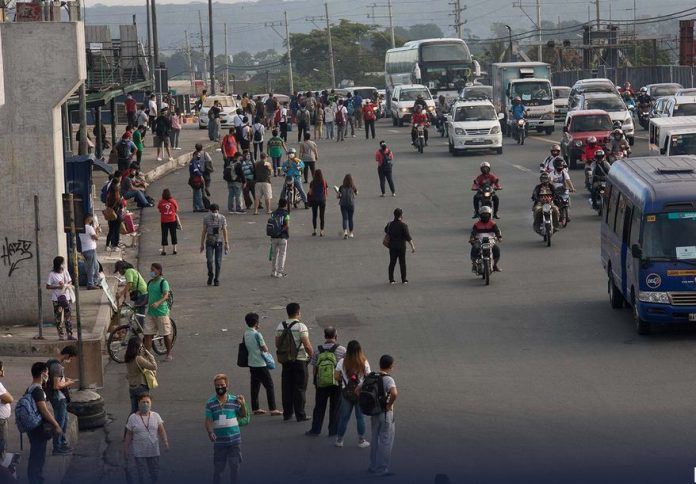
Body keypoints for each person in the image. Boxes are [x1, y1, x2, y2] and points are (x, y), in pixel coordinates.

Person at [205, 374, 247, 484]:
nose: (220, 388)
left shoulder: (234, 400)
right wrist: (210, 432)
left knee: (235, 467)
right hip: (219, 442)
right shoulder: (210, 403)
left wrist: (242, 404)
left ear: (227, 386)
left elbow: (243, 415)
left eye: (222, 385)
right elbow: (208, 420)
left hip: (235, 441)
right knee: (218, 469)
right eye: (217, 385)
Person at [25, 362, 62, 484]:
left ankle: (35, 479)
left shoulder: (30, 388)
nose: (48, 374)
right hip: (37, 428)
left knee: (36, 455)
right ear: (42, 374)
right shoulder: (38, 390)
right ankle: (36, 480)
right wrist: (56, 425)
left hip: (32, 427)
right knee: (38, 457)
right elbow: (44, 411)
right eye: (46, 372)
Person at [275, 303, 313, 421]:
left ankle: (287, 413)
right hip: (300, 360)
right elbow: (306, 344)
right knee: (300, 388)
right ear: (297, 312)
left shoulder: (280, 326)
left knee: (286, 387)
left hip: (286, 361)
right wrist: (311, 355)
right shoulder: (301, 326)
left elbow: (277, 344)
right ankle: (300, 414)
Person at [305, 327, 345, 437]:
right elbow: (344, 367)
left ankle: (315, 430)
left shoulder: (318, 350)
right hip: (336, 383)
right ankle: (333, 431)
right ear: (336, 336)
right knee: (335, 407)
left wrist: (316, 381)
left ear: (324, 336)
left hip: (321, 383)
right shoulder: (342, 350)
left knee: (319, 407)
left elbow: (314, 368)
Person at [123, 393, 169, 484]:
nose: (145, 404)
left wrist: (165, 442)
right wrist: (125, 448)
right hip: (139, 452)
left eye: (147, 402)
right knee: (142, 474)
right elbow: (129, 434)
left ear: (151, 403)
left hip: (153, 450)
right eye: (143, 402)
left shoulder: (156, 416)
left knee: (154, 473)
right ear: (138, 403)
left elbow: (161, 430)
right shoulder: (133, 418)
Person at [243, 313, 282, 416]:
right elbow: (265, 348)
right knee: (269, 385)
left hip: (251, 362)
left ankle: (255, 408)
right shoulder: (257, 334)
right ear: (256, 323)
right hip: (260, 363)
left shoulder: (246, 333)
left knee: (255, 386)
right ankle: (273, 409)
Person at [334, 340, 370, 448]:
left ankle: (339, 440)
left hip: (346, 393)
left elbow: (336, 377)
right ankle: (361, 440)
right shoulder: (364, 362)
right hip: (360, 393)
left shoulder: (342, 362)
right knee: (360, 417)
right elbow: (368, 377)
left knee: (344, 417)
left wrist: (344, 378)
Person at [368, 354, 398, 477]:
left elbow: (358, 390)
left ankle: (372, 466)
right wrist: (389, 404)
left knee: (374, 439)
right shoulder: (388, 379)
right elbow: (394, 393)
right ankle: (382, 469)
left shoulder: (372, 377)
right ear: (390, 366)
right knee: (385, 440)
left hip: (374, 412)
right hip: (385, 413)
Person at [45, 346, 78, 455]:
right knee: (60, 422)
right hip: (58, 398)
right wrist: (68, 383)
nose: (70, 360)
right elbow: (56, 385)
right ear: (67, 355)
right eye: (71, 357)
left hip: (56, 397)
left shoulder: (51, 362)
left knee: (64, 420)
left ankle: (62, 443)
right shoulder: (57, 367)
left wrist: (65, 379)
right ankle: (57, 447)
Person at [145, 263, 173, 360]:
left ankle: (168, 353)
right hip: (150, 313)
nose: (152, 272)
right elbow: (148, 296)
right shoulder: (150, 283)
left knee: (165, 334)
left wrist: (158, 303)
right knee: (148, 335)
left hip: (161, 313)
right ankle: (147, 355)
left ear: (159, 271)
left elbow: (166, 296)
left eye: (153, 270)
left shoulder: (163, 282)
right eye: (151, 270)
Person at [124, 337, 158, 414]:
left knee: (134, 410)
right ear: (138, 347)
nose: (142, 348)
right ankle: (144, 424)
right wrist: (150, 355)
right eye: (141, 346)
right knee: (145, 410)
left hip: (132, 387)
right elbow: (154, 366)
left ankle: (129, 425)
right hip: (141, 387)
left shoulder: (127, 357)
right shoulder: (138, 359)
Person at [46, 256, 76, 341]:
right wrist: (57, 287)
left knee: (68, 316)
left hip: (66, 297)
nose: (64, 264)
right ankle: (61, 335)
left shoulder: (65, 271)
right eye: (62, 263)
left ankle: (69, 334)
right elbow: (47, 286)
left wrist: (67, 285)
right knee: (58, 318)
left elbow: (70, 281)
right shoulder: (52, 274)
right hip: (57, 299)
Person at [200, 204, 229, 287]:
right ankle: (210, 274)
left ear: (218, 211)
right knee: (209, 260)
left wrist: (227, 243)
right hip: (209, 240)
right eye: (213, 211)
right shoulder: (206, 218)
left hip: (219, 241)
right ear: (210, 211)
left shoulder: (222, 218)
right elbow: (204, 231)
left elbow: (225, 230)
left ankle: (216, 279)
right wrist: (201, 244)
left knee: (218, 262)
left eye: (216, 211)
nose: (214, 213)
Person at [384, 208, 415, 284]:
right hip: (401, 247)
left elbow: (386, 230)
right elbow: (408, 237)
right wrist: (412, 246)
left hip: (392, 247)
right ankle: (403, 279)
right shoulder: (403, 225)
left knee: (392, 262)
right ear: (401, 215)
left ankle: (391, 279)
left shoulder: (390, 224)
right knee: (402, 263)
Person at [469, 206, 502, 272]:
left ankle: (495, 265)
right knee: (474, 248)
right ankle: (474, 264)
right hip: (479, 241)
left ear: (490, 215)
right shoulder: (477, 224)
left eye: (487, 214)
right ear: (480, 215)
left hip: (490, 241)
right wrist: (472, 238)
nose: (485, 216)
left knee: (496, 249)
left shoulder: (493, 223)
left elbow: (497, 231)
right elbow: (473, 233)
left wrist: (499, 237)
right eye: (483, 214)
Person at [79, 213, 100, 289]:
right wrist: (97, 230)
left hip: (84, 249)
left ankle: (95, 281)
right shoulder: (89, 228)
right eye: (91, 219)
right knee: (92, 267)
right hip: (91, 249)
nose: (92, 220)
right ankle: (91, 284)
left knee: (95, 266)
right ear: (88, 219)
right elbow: (96, 238)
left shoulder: (81, 228)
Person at [269, 199, 290, 278]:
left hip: (273, 236)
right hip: (282, 237)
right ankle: (280, 272)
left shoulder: (273, 213)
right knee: (282, 254)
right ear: (285, 205)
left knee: (274, 255)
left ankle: (273, 271)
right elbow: (287, 225)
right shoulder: (286, 214)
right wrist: (281, 230)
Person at [158, 188, 179, 256]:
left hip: (164, 220)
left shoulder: (161, 202)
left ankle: (164, 250)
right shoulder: (173, 201)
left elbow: (160, 210)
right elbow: (176, 209)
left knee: (164, 235)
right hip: (172, 220)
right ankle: (174, 249)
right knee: (173, 234)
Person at [338, 174, 358, 239]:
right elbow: (357, 193)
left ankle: (345, 232)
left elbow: (338, 196)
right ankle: (351, 233)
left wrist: (340, 195)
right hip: (351, 204)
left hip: (343, 204)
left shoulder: (341, 187)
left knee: (344, 218)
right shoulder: (353, 186)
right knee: (350, 218)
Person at [309, 169, 328, 237]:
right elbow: (326, 190)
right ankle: (321, 231)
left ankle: (314, 230)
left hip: (314, 200)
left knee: (314, 215)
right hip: (322, 200)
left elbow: (310, 192)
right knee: (322, 216)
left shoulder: (312, 182)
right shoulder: (324, 181)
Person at [189, 144, 208, 212]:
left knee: (196, 194)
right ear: (194, 156)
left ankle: (196, 207)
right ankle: (200, 207)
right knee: (198, 194)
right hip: (195, 180)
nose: (199, 157)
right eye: (198, 156)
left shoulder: (196, 161)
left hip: (196, 179)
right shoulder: (193, 162)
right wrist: (201, 176)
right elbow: (196, 170)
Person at [0, 360, 12, 462]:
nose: (4, 370)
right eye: (2, 368)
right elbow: (10, 399)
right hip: (1, 421)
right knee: (2, 446)